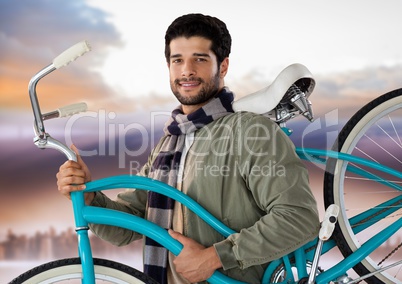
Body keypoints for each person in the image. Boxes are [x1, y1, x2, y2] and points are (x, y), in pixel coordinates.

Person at [57, 13, 320, 284]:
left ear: (224, 66)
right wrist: (88, 196)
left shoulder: (250, 131)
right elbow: (129, 225)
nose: (187, 71)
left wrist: (214, 258)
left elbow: (298, 217)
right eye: (177, 60)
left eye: (200, 59)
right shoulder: (169, 144)